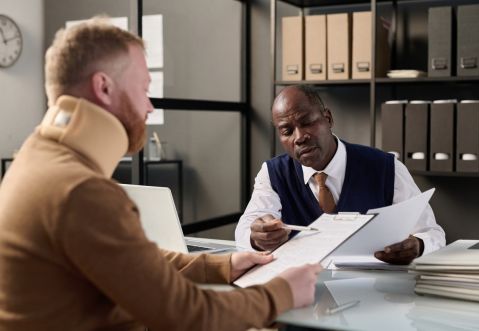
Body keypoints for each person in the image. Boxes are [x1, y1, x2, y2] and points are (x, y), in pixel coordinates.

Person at [0, 18, 322, 331]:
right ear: (104, 87)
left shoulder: (34, 159)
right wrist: (281, 293)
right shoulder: (79, 190)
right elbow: (187, 316)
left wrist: (223, 265)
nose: (149, 106)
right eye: (143, 88)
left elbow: (131, 263)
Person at [235, 85, 446, 265]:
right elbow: (245, 230)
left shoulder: (386, 167)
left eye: (307, 122)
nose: (299, 137)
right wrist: (256, 237)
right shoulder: (273, 174)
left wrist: (418, 245)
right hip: (305, 294)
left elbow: (432, 233)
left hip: (373, 294)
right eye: (287, 131)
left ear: (327, 118)